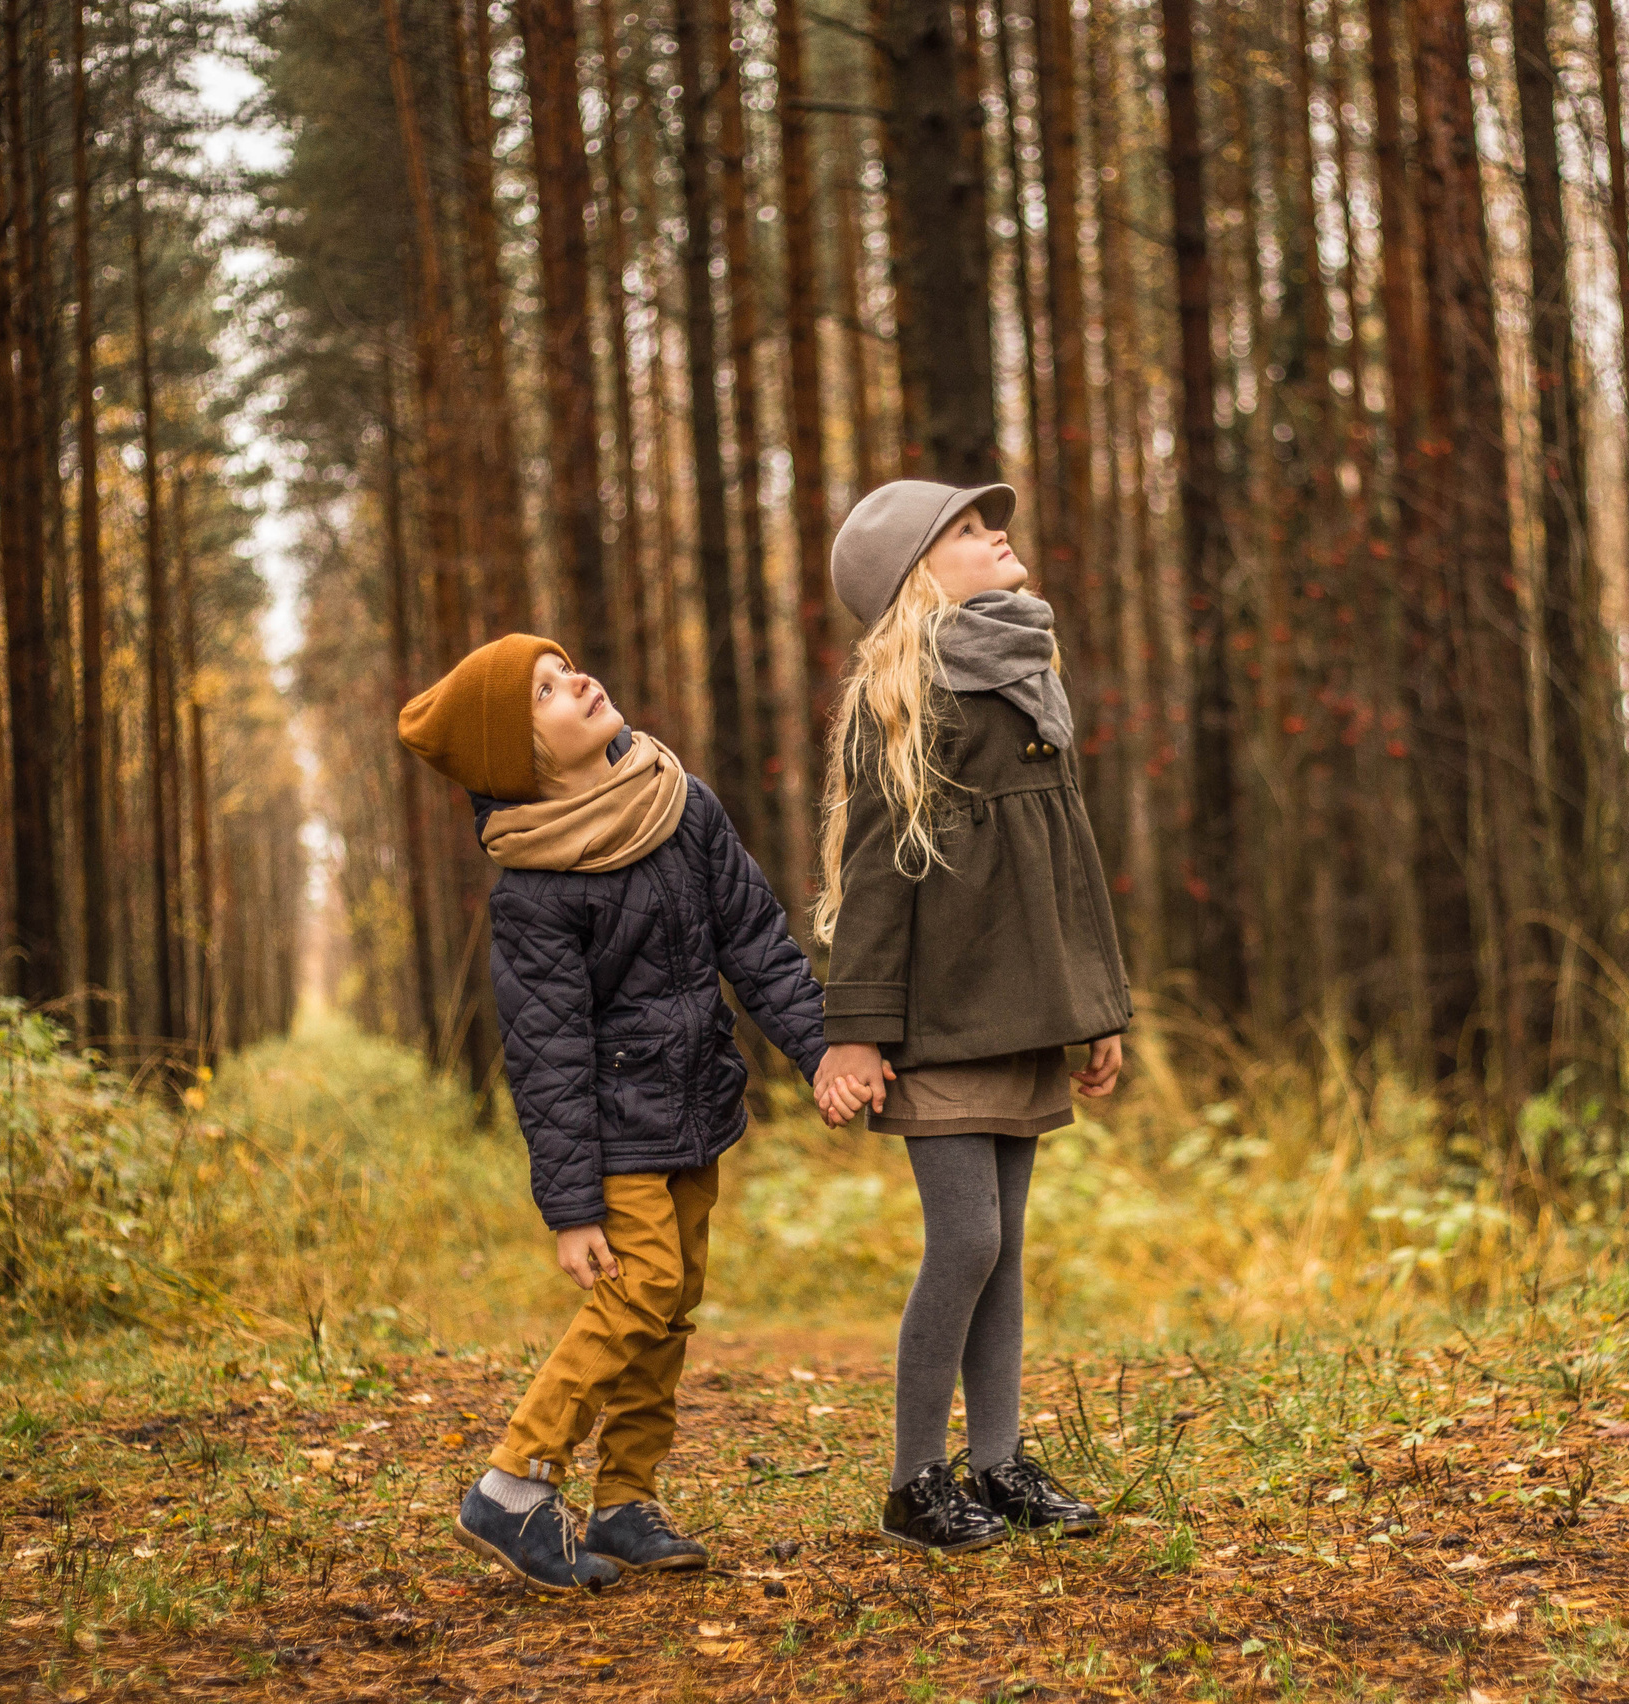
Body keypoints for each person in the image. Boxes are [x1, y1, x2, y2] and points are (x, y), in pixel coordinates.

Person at [397, 635, 834, 1593]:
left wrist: (821, 1049)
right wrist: (572, 1205)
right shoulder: (534, 887)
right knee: (640, 1289)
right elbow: (546, 1057)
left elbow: (755, 939)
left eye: (567, 665)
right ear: (523, 760)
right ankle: (514, 1479)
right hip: (613, 1137)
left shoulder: (681, 802)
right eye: (545, 691)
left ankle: (628, 1502)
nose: (580, 680)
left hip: (695, 1112)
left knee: (669, 1307)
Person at [812, 479, 1131, 1556]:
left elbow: (1065, 858)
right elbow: (872, 875)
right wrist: (853, 1030)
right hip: (938, 1019)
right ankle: (914, 1481)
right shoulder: (904, 696)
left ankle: (995, 1465)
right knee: (968, 1241)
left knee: (1006, 1249)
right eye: (963, 530)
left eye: (990, 522)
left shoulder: (1028, 671)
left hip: (1026, 1009)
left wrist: (1099, 1009)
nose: (996, 533)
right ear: (914, 578)